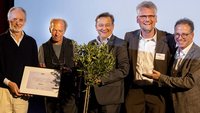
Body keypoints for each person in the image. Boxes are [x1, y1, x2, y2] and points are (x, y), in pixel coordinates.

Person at [124, 1, 175, 113]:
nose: (147, 19)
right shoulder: (129, 36)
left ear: (156, 19)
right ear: (137, 19)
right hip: (134, 90)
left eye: (151, 16)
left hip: (157, 90)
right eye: (143, 16)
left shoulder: (168, 38)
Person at [144, 18, 200, 113]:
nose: (180, 37)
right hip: (171, 105)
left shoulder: (198, 54)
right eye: (177, 34)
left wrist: (160, 78)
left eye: (184, 34)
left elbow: (189, 82)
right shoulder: (174, 51)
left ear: (192, 35)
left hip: (189, 107)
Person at [87, 12, 129, 113]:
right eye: (100, 25)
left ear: (113, 26)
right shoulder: (91, 44)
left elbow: (124, 69)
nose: (104, 28)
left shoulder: (120, 44)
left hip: (111, 97)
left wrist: (100, 79)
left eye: (107, 25)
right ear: (96, 27)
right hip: (92, 97)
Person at [0, 7, 38, 113]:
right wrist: (9, 83)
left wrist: (31, 87)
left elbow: (34, 67)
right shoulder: (1, 40)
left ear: (25, 22)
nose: (18, 23)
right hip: (2, 92)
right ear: (8, 21)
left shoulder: (31, 42)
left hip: (23, 93)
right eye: (14, 19)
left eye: (21, 20)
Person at [38, 18, 78, 113]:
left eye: (60, 31)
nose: (57, 33)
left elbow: (78, 67)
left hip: (69, 93)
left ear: (64, 31)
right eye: (54, 30)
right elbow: (41, 70)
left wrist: (70, 71)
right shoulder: (43, 47)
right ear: (50, 29)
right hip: (50, 94)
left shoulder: (72, 45)